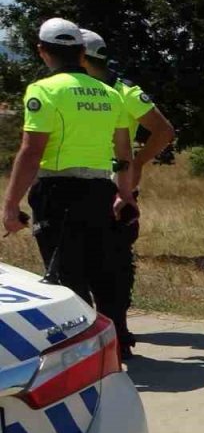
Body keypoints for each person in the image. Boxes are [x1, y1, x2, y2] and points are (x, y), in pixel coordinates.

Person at [2, 18, 136, 316]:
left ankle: (81, 346)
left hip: (57, 193)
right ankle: (116, 340)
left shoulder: (43, 90)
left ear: (42, 51)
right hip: (102, 190)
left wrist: (11, 204)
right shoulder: (110, 93)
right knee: (102, 270)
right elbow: (124, 152)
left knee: (65, 275)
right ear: (80, 53)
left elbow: (31, 150)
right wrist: (124, 194)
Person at [81, 28, 177, 357]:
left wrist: (136, 163)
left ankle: (115, 333)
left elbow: (164, 131)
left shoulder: (124, 91)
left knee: (113, 263)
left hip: (113, 184)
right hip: (93, 182)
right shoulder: (91, 90)